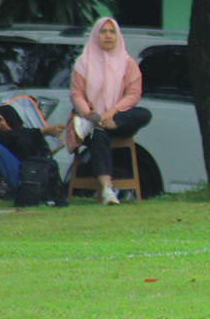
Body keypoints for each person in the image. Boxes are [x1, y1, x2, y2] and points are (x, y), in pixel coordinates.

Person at [65, 17, 153, 205]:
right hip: (91, 120)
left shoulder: (127, 63)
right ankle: (107, 189)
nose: (108, 36)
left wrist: (112, 113)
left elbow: (134, 94)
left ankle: (107, 123)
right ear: (96, 36)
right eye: (103, 32)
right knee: (98, 133)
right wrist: (89, 113)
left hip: (118, 120)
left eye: (112, 32)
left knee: (144, 113)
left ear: (118, 36)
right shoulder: (83, 63)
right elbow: (76, 94)